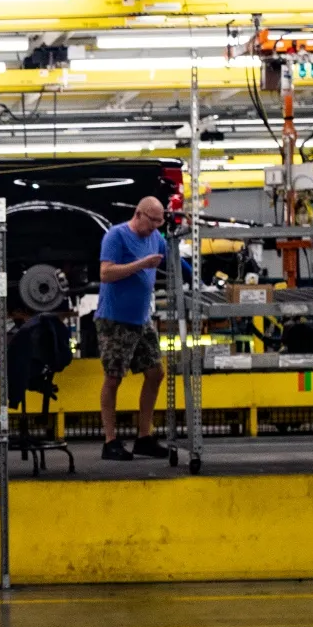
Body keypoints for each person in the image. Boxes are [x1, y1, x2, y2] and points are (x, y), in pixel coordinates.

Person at [95, 195, 170, 462]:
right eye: (152, 222)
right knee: (113, 378)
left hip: (141, 319)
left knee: (155, 372)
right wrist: (141, 264)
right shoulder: (116, 236)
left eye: (159, 223)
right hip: (115, 319)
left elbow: (169, 259)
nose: (155, 228)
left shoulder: (156, 237)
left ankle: (143, 437)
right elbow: (106, 273)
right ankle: (110, 441)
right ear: (139, 214)